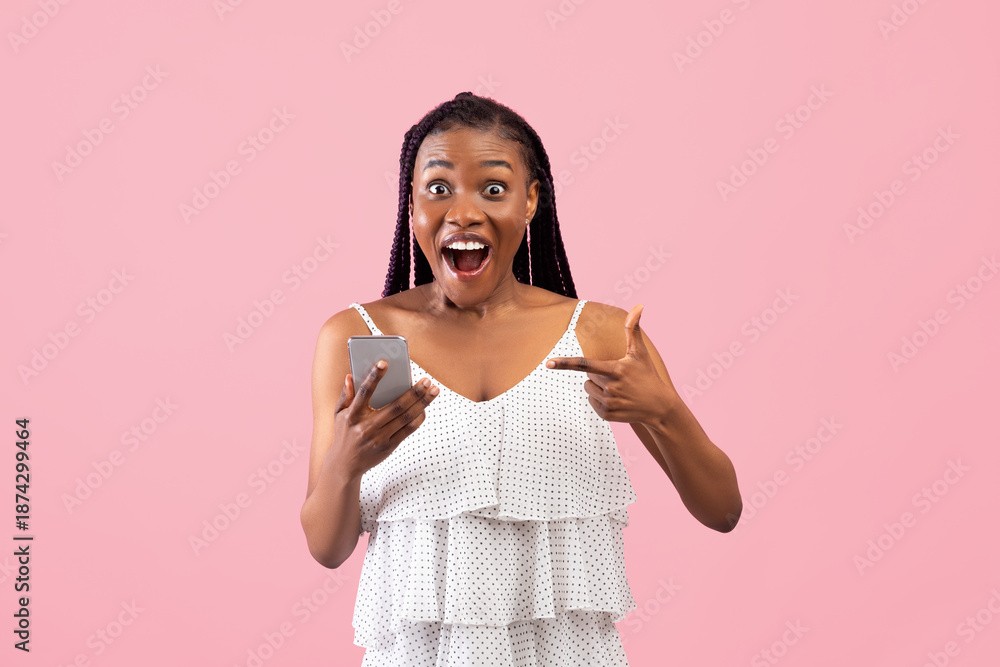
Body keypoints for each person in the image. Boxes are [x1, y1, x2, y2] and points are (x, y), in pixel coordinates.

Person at [300, 92, 742, 666]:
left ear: (530, 200)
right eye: (438, 188)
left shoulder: (601, 334)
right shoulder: (362, 340)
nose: (463, 211)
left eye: (493, 188)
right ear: (412, 207)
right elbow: (325, 548)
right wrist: (348, 460)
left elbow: (722, 510)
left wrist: (666, 412)